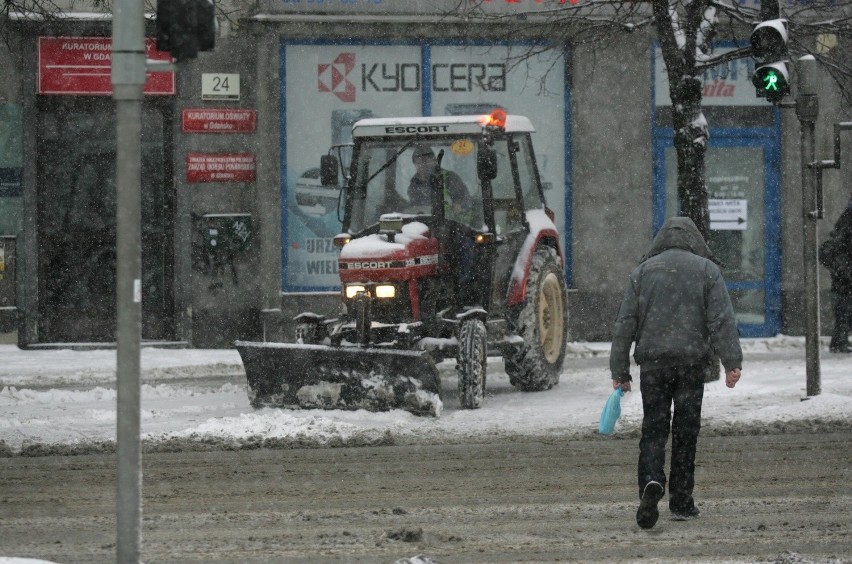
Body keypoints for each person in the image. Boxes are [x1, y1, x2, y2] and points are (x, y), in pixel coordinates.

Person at [610, 216, 743, 530]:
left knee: (653, 431)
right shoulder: (706, 270)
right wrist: (731, 362)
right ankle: (682, 502)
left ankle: (652, 481)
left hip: (654, 367)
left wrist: (620, 369)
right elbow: (721, 320)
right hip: (690, 365)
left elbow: (624, 324)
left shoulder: (642, 272)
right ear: (695, 241)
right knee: (685, 433)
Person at [822, 194, 852, 353]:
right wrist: (844, 270)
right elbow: (838, 245)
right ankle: (839, 342)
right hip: (844, 279)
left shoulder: (846, 218)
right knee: (844, 310)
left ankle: (839, 341)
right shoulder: (847, 219)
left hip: (843, 278)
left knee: (844, 311)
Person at [407, 145, 470, 218]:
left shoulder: (450, 178)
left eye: (426, 161)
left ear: (434, 161)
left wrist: (458, 205)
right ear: (414, 164)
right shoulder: (413, 185)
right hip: (425, 224)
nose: (423, 165)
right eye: (419, 162)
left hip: (452, 224)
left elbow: (464, 202)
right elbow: (415, 209)